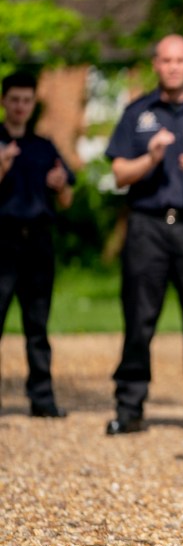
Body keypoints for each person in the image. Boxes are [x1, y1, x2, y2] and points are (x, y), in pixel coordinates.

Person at [104, 35, 183, 435]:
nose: (173, 67)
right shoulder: (138, 113)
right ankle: (130, 403)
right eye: (165, 60)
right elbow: (119, 174)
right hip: (147, 225)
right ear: (156, 64)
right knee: (139, 317)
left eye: (180, 60)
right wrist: (150, 159)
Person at [0, 71, 74, 418]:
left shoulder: (44, 147)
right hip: (2, 242)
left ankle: (42, 398)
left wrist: (60, 185)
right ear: (4, 102)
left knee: (37, 325)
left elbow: (67, 199)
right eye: (14, 99)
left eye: (26, 100)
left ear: (33, 104)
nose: (20, 106)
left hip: (38, 244)